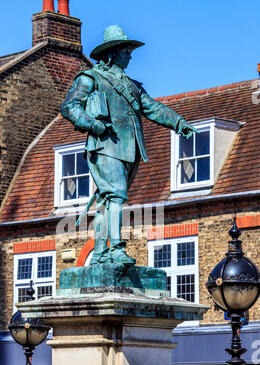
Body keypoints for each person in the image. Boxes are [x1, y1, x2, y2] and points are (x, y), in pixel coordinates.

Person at [60, 25, 197, 266]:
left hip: (129, 149)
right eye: (126, 50)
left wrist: (178, 122)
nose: (130, 55)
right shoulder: (90, 78)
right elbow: (70, 107)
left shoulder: (133, 86)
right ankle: (116, 249)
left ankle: (101, 252)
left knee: (108, 199)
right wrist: (93, 124)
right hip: (104, 146)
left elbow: (152, 108)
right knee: (116, 195)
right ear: (112, 53)